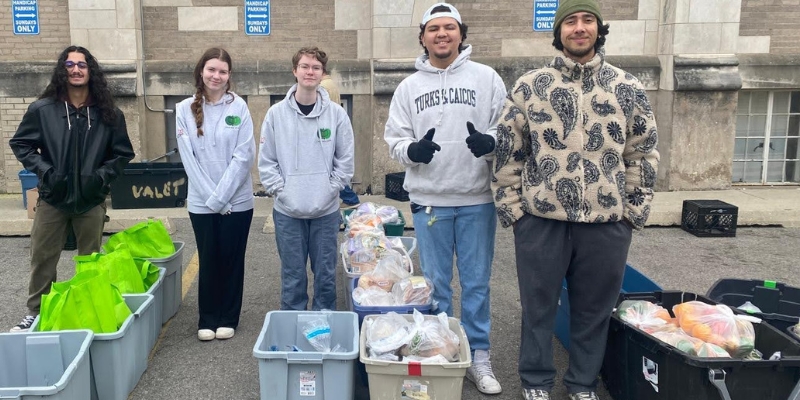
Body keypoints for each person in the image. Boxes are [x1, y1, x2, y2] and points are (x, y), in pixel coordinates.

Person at [492, 0, 660, 398]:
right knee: (538, 309)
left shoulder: (627, 87)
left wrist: (632, 213)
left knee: (593, 312)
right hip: (541, 221)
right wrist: (515, 213)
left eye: (587, 20)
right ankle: (535, 381)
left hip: (606, 223)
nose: (579, 28)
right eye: (570, 21)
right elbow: (508, 152)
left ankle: (583, 384)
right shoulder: (530, 86)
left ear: (598, 29)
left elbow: (642, 152)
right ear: (559, 32)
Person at [383, 3, 507, 395]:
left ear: (461, 34)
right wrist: (412, 151)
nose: (442, 34)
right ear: (423, 37)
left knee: (476, 283)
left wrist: (491, 143)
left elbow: (506, 128)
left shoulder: (486, 78)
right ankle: (444, 350)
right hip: (429, 199)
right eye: (433, 28)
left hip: (476, 198)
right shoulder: (409, 87)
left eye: (449, 27)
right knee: (436, 284)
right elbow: (395, 138)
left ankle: (479, 355)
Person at [9, 45, 135, 332]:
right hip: (53, 198)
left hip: (91, 199)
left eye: (82, 65)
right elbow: (21, 144)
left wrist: (100, 177)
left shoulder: (109, 114)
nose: (76, 69)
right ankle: (37, 312)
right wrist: (46, 171)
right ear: (61, 70)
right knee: (43, 257)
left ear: (91, 71)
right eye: (69, 64)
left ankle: (88, 311)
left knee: (90, 260)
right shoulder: (43, 110)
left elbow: (122, 154)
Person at [258, 47, 355, 311]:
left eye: (316, 67)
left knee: (325, 277)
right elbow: (267, 162)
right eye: (304, 66)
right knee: (293, 278)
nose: (310, 72)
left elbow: (345, 161)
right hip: (287, 212)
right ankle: (294, 327)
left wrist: (330, 190)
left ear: (323, 73)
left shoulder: (336, 114)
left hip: (326, 212)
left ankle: (323, 328)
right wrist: (283, 192)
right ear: (295, 71)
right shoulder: (276, 114)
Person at [175, 48, 255, 341]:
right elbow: (189, 158)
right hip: (201, 202)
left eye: (222, 71)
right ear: (201, 71)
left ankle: (228, 317)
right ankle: (207, 318)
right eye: (211, 69)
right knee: (208, 260)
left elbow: (244, 156)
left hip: (238, 201)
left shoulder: (239, 107)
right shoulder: (184, 109)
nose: (216, 76)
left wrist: (222, 197)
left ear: (229, 75)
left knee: (232, 260)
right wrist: (213, 198)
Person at [320, 71, 360, 207]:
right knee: (334, 167)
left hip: (326, 129)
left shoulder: (323, 86)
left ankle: (350, 198)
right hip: (331, 128)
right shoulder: (331, 84)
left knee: (330, 168)